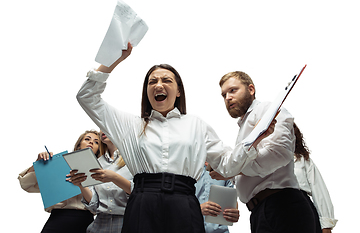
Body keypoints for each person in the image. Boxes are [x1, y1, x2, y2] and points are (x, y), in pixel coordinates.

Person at [76, 44, 275, 233]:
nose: (158, 85)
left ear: (178, 91)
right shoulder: (129, 125)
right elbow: (86, 97)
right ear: (146, 91)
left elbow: (225, 165)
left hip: (184, 203)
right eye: (152, 81)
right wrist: (113, 59)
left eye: (166, 80)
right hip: (142, 203)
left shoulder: (196, 124)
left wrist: (255, 139)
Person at [211, 71, 321, 233]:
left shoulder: (269, 109)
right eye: (224, 95)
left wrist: (235, 168)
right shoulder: (244, 126)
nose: (228, 97)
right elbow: (255, 168)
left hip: (283, 207)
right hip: (261, 211)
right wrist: (232, 175)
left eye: (233, 90)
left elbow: (278, 154)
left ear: (251, 89)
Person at [18, 130, 101, 233]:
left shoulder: (101, 172)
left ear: (98, 150)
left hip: (85, 221)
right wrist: (37, 165)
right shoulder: (59, 165)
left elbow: (97, 204)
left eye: (96, 142)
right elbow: (26, 185)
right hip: (58, 219)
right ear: (79, 145)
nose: (91, 142)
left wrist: (81, 184)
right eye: (87, 139)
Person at [67, 130, 134, 233]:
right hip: (99, 225)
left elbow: (138, 193)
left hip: (126, 223)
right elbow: (93, 206)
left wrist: (114, 177)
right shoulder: (96, 163)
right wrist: (81, 185)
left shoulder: (133, 159)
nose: (103, 129)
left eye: (107, 125)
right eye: (101, 126)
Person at [293, 123, 338, 233]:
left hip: (303, 210)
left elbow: (318, 189)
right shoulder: (263, 158)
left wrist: (326, 224)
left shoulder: (302, 159)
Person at [195, 162, 239, 233]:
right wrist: (197, 210)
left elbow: (232, 199)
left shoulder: (224, 170)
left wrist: (233, 213)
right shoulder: (189, 170)